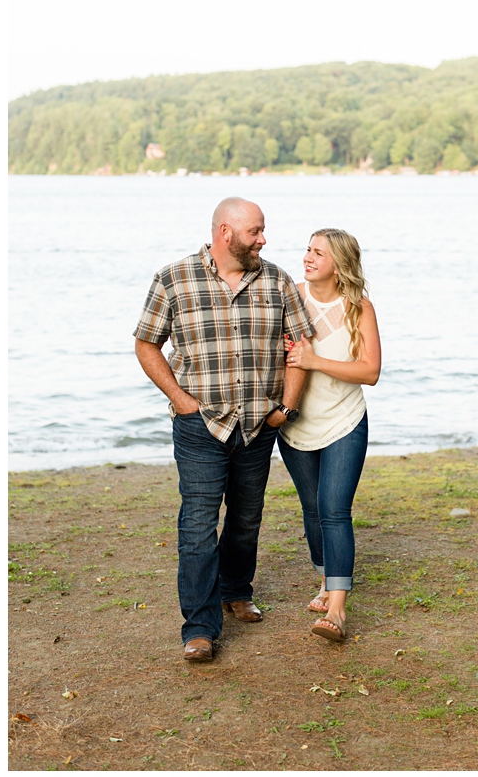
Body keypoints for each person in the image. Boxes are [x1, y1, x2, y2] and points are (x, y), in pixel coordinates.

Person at [134, 197, 316, 663]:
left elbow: (300, 346)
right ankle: (199, 627)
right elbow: (146, 344)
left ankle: (237, 589)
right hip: (200, 425)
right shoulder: (173, 279)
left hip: (258, 425)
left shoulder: (276, 281)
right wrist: (181, 401)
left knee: (245, 517)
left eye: (263, 230)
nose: (263, 239)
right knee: (197, 523)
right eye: (255, 231)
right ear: (225, 233)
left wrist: (285, 409)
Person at [278, 228, 381, 643]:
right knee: (311, 508)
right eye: (307, 249)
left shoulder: (359, 308)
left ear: (338, 263)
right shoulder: (290, 298)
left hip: (344, 421)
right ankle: (325, 580)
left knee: (333, 508)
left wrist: (316, 360)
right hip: (297, 423)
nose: (307, 257)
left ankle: (337, 608)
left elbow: (370, 371)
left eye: (318, 253)